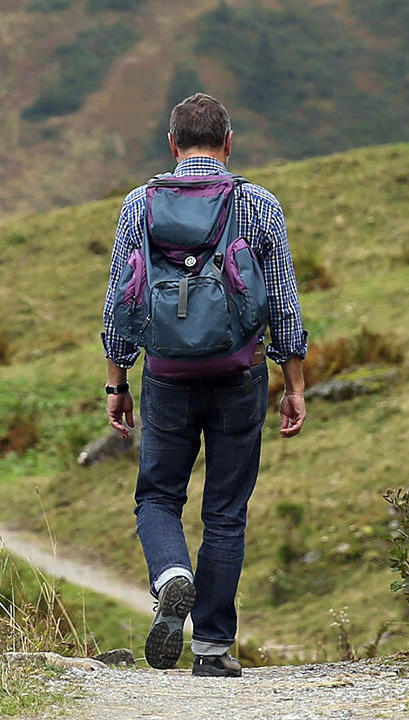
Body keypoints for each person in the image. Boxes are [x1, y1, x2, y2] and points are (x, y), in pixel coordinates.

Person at [100, 93, 308, 677]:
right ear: (228, 142)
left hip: (165, 377)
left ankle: (171, 575)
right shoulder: (258, 205)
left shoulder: (139, 205)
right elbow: (285, 305)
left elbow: (121, 299)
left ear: (172, 144)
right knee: (225, 511)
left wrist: (117, 382)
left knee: (158, 496)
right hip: (240, 375)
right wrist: (293, 383)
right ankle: (213, 648)